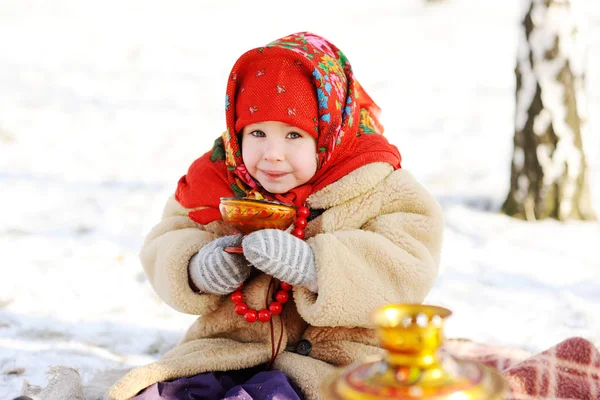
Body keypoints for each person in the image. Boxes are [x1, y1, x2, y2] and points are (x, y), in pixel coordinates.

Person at [106, 32, 444, 400]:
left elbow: (409, 265)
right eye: (258, 132)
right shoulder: (219, 179)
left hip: (337, 365)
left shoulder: (378, 183)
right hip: (228, 352)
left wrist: (313, 265)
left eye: (294, 135)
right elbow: (169, 235)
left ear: (329, 133)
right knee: (162, 393)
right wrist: (197, 268)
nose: (272, 153)